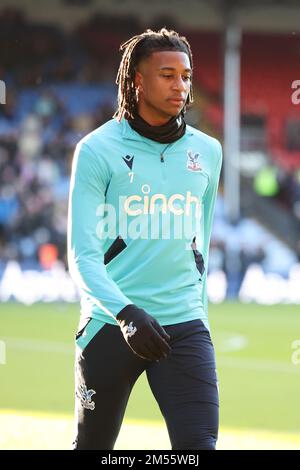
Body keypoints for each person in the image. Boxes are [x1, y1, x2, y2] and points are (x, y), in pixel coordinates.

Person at [68, 28, 222, 450]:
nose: (181, 86)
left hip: (184, 325)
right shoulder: (96, 150)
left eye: (186, 76)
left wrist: (198, 315)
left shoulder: (208, 152)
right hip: (110, 322)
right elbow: (82, 257)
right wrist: (125, 312)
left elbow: (200, 248)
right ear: (136, 79)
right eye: (167, 75)